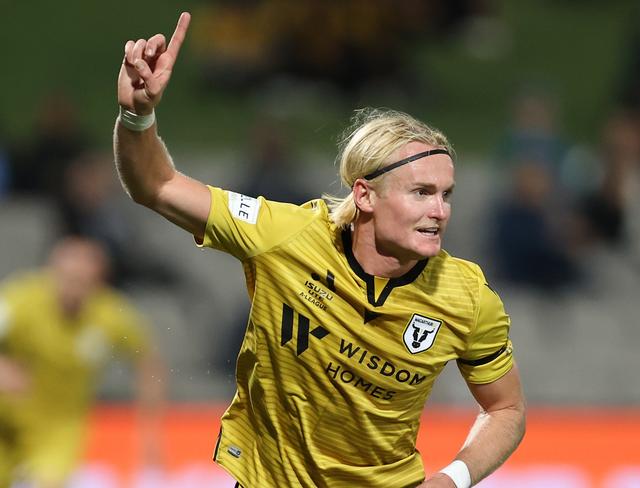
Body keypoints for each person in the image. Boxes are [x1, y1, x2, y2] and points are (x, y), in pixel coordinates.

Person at [114, 12, 525, 488]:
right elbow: (156, 185)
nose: (440, 210)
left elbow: (507, 407)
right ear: (365, 195)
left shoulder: (467, 297)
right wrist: (137, 115)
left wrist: (452, 478)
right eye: (421, 193)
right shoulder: (285, 235)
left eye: (446, 194)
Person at [0, 236, 162, 488]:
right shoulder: (19, 300)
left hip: (58, 428)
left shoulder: (111, 316)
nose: (73, 289)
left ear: (99, 283)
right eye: (66, 278)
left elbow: (148, 361)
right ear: (50, 273)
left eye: (83, 282)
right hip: (5, 419)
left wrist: (150, 429)